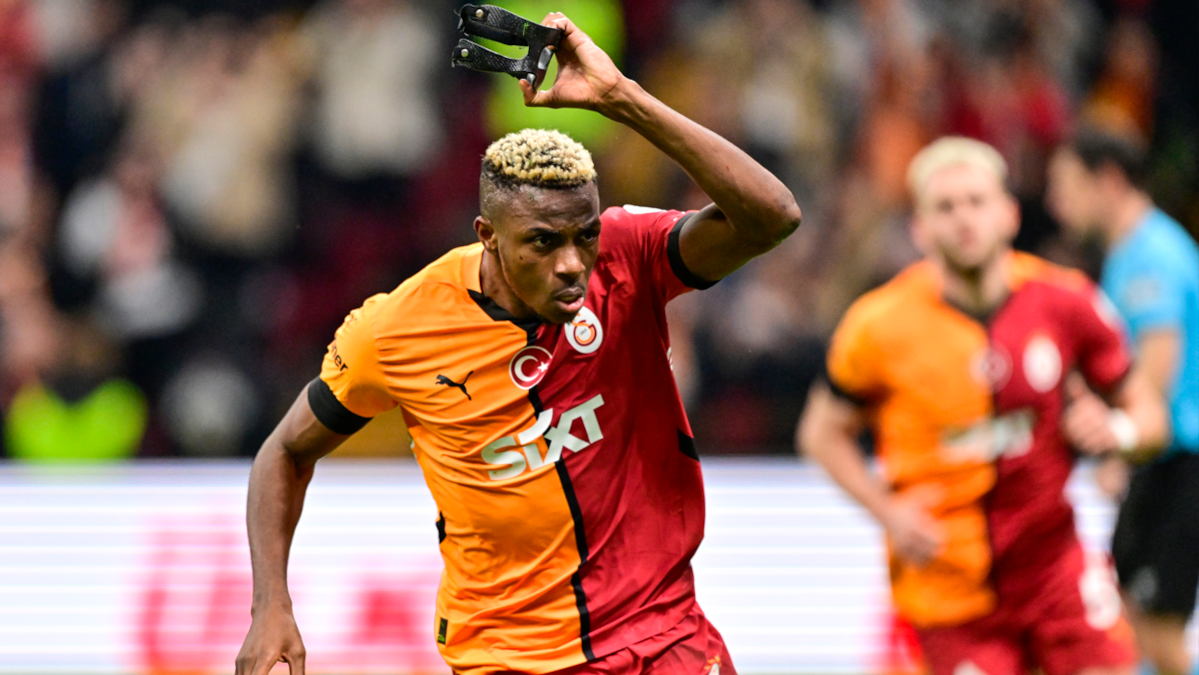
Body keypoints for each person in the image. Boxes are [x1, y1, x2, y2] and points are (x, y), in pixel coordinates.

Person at [234, 12, 801, 675]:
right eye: (543, 241)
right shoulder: (396, 329)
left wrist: (623, 99)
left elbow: (773, 216)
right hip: (506, 658)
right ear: (488, 236)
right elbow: (284, 452)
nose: (572, 264)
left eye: (584, 234)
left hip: (662, 640)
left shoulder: (628, 254)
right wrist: (270, 604)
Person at [796, 136, 1170, 675]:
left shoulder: (1066, 301)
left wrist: (1119, 432)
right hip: (949, 589)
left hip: (1054, 570)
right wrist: (887, 512)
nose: (964, 219)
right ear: (920, 229)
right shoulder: (877, 327)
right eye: (945, 207)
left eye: (976, 201)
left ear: (1009, 214)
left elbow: (1150, 416)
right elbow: (819, 434)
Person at [1047, 127, 1199, 675]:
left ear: (1108, 180)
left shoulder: (1152, 255)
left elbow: (1160, 359)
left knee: (1157, 628)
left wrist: (1119, 448)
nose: (1055, 203)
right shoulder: (1130, 252)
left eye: (1067, 187)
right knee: (1131, 619)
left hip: (1179, 461)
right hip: (1157, 461)